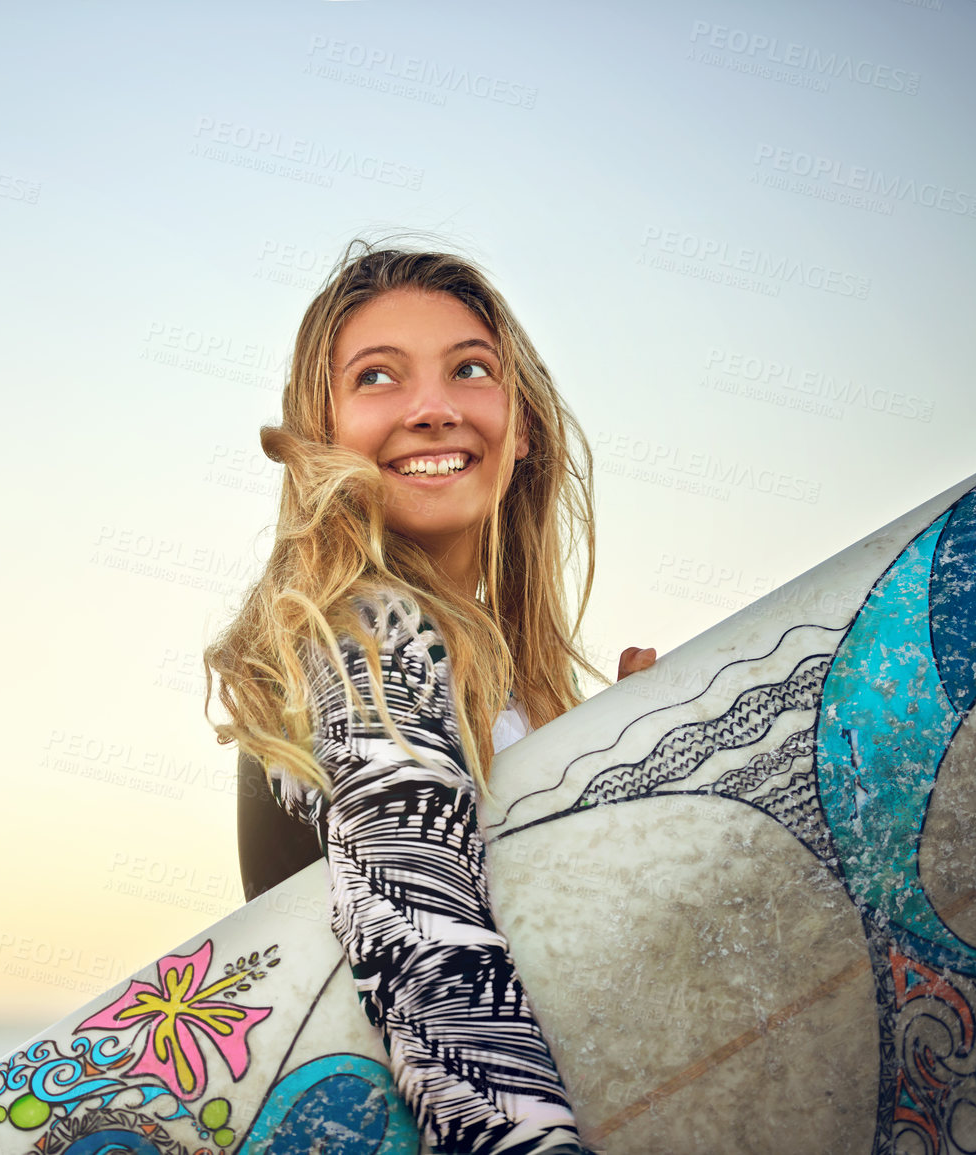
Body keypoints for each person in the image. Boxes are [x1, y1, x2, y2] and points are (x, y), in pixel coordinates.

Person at [202, 237, 655, 1154]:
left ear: (520, 427)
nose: (433, 408)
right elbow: (427, 961)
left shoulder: (494, 668)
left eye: (470, 369)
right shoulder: (363, 635)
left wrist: (614, 803)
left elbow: (538, 935)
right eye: (377, 377)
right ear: (318, 436)